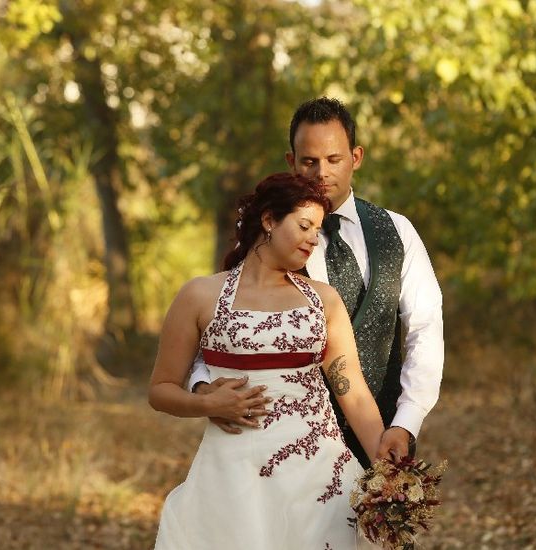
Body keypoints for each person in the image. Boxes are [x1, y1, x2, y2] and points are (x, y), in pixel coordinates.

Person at [191, 97, 445, 467]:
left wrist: (406, 422)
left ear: (356, 157)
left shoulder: (398, 231)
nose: (321, 173)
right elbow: (221, 320)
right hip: (285, 443)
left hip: (381, 434)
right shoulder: (265, 235)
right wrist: (203, 390)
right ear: (291, 161)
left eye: (334, 159)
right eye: (309, 161)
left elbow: (425, 328)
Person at [149, 173, 385, 549]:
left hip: (320, 473)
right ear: (270, 220)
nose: (312, 239)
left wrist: (388, 473)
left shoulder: (324, 302)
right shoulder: (199, 295)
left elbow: (352, 392)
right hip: (235, 474)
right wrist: (206, 403)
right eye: (304, 225)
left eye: (318, 230)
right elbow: (160, 391)